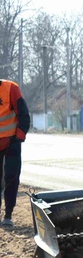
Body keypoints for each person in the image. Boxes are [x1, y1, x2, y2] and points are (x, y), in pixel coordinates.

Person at [0, 79, 30, 228]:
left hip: (11, 142)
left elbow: (24, 114)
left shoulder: (10, 88)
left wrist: (19, 136)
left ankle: (8, 215)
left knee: (11, 177)